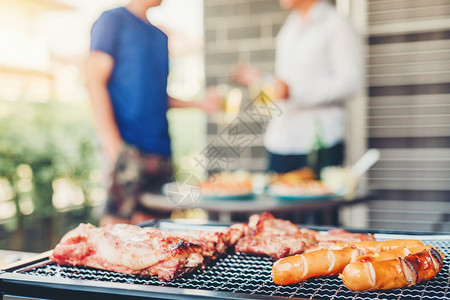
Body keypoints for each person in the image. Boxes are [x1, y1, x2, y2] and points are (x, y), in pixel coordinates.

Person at [86, 0, 220, 225]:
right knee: (118, 226)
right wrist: (112, 143)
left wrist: (201, 105)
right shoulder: (112, 21)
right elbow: (93, 80)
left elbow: (157, 96)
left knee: (156, 229)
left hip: (161, 151)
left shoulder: (161, 37)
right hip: (127, 147)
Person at [231, 0, 363, 175]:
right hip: (281, 140)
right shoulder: (289, 27)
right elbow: (287, 84)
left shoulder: (336, 24)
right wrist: (261, 79)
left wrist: (294, 92)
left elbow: (351, 82)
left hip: (320, 143)